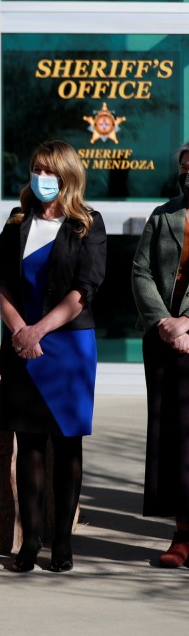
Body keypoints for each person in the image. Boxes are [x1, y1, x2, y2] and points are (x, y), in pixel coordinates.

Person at [0, 140, 106, 574]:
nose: (41, 179)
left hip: (68, 346)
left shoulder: (87, 224)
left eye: (50, 172)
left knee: (66, 445)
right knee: (29, 445)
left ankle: (63, 542)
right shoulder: (16, 221)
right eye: (36, 170)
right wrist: (19, 330)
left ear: (67, 177)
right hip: (22, 341)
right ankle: (31, 541)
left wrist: (37, 330)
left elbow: (85, 289)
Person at [132, 142, 189, 568]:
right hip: (165, 342)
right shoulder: (164, 215)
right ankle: (182, 534)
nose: (187, 174)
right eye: (184, 168)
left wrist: (188, 322)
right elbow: (141, 271)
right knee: (174, 441)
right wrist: (164, 322)